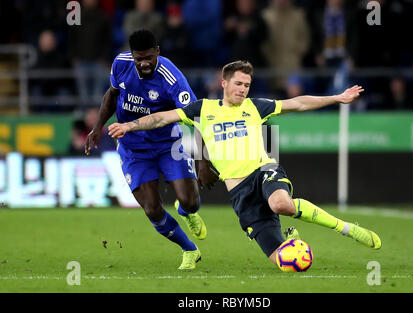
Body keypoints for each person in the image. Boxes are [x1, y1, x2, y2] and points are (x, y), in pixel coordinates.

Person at [108, 60, 382, 268]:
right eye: (238, 84)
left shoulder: (256, 106)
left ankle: (349, 229)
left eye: (247, 85)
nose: (243, 89)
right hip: (239, 193)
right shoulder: (202, 109)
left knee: (281, 204)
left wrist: (337, 98)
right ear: (224, 83)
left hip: (263, 171)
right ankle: (292, 237)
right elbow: (162, 118)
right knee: (282, 261)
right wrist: (129, 125)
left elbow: (297, 103)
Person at [85, 30, 216, 270]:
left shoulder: (172, 78)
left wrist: (204, 162)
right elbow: (111, 95)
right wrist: (97, 128)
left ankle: (187, 212)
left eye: (148, 57)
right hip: (133, 148)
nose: (143, 63)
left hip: (168, 144)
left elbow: (198, 117)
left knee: (190, 201)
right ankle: (189, 249)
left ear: (158, 51)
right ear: (132, 55)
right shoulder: (121, 63)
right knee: (152, 209)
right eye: (138, 58)